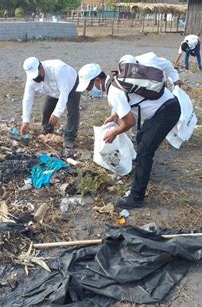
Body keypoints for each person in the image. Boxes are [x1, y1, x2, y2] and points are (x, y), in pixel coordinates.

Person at [76, 54, 181, 209]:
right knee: (141, 137)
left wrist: (114, 133)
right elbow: (129, 100)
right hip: (166, 106)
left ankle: (136, 197)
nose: (90, 91)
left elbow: (129, 122)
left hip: (167, 112)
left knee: (145, 151)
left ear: (97, 80)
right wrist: (114, 115)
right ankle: (142, 173)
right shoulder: (115, 79)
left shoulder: (113, 91)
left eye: (89, 87)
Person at [21, 57, 81, 149]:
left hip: (71, 84)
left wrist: (57, 113)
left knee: (72, 111)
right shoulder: (31, 80)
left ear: (41, 68)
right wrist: (25, 121)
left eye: (37, 75)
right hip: (52, 90)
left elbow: (64, 93)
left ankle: (70, 138)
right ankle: (47, 130)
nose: (36, 78)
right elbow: (27, 99)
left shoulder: (57, 69)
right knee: (46, 110)